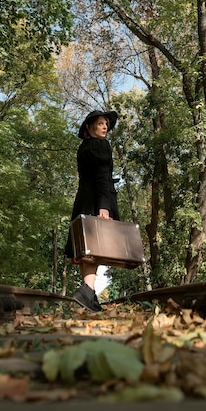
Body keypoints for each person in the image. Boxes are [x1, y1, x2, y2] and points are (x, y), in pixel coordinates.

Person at [64, 109, 120, 312]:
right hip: (97, 200)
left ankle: (90, 295)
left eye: (106, 124)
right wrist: (104, 206)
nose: (105, 127)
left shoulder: (84, 147)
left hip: (84, 200)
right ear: (89, 127)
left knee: (89, 249)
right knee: (95, 249)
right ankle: (87, 290)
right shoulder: (100, 145)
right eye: (100, 123)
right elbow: (101, 176)